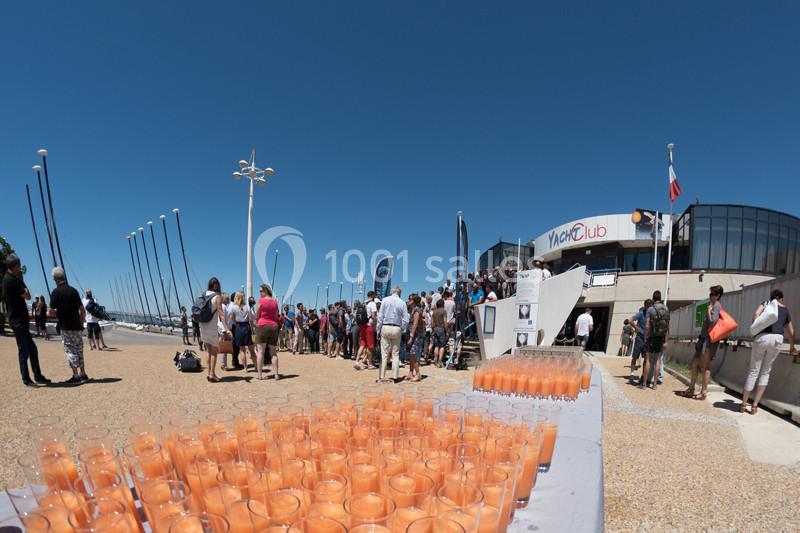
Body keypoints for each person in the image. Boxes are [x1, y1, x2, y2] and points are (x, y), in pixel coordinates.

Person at [740, 289, 796, 414]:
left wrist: (754, 330)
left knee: (754, 371)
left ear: (771, 298)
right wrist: (792, 346)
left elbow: (756, 314)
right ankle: (754, 405)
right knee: (765, 372)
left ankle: (743, 404)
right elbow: (791, 331)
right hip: (777, 339)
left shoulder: (765, 304)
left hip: (762, 337)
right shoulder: (785, 310)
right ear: (781, 298)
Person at [2, 255, 50, 387]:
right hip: (18, 320)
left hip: (17, 319)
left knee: (32, 349)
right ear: (16, 266)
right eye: (19, 266)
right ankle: (27, 379)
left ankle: (37, 375)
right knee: (24, 350)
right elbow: (28, 296)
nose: (20, 269)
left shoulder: (8, 279)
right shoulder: (12, 280)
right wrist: (22, 281)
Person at [681, 286, 722, 399]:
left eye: (712, 294)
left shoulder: (716, 306)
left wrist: (709, 311)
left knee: (705, 366)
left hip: (708, 342)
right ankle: (691, 388)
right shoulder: (713, 305)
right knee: (694, 364)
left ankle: (703, 392)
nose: (710, 296)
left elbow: (713, 321)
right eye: (710, 294)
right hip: (703, 340)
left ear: (717, 296)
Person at [49, 267, 88, 384]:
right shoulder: (74, 291)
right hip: (77, 326)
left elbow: (51, 311)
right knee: (79, 349)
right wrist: (81, 323)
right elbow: (82, 310)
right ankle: (83, 373)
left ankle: (75, 375)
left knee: (70, 350)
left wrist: (58, 315)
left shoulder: (56, 292)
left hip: (66, 326)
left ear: (55, 278)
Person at [198, 277, 231, 382]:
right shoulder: (217, 297)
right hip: (212, 326)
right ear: (217, 285)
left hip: (202, 325)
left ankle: (209, 373)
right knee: (214, 352)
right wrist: (226, 328)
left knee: (208, 350)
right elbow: (221, 313)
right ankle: (212, 374)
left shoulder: (203, 295)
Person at [376, 287, 409, 383]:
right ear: (400, 293)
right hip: (397, 328)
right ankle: (395, 377)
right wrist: (402, 329)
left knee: (384, 353)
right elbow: (406, 319)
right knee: (395, 354)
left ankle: (382, 376)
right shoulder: (402, 302)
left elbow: (380, 317)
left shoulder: (385, 300)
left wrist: (378, 330)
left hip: (386, 326)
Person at [640, 290, 670, 391]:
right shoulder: (666, 308)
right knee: (657, 361)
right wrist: (666, 340)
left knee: (648, 360)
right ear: (660, 298)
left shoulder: (650, 309)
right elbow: (667, 326)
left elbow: (647, 325)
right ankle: (655, 384)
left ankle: (644, 384)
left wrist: (645, 337)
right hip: (660, 338)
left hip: (651, 337)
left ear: (653, 298)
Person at [253, 284, 280, 380]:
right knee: (273, 352)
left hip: (262, 325)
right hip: (273, 326)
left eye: (261, 291)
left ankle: (260, 375)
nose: (259, 293)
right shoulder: (275, 302)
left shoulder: (260, 301)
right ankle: (276, 374)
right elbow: (276, 316)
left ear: (266, 291)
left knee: (260, 351)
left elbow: (257, 315)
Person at [230, 292, 256, 370]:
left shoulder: (233, 307)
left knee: (242, 350)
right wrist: (252, 330)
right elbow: (250, 319)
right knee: (251, 349)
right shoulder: (247, 307)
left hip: (238, 327)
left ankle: (245, 368)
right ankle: (256, 366)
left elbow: (233, 319)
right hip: (246, 327)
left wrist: (237, 323)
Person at [356, 292, 378, 370]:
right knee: (370, 346)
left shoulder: (363, 303)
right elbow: (373, 316)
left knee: (362, 344)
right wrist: (377, 321)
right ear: (372, 296)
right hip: (369, 326)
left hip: (362, 326)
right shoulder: (372, 303)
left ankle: (357, 362)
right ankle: (370, 364)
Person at [405, 294, 425, 382]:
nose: (408, 301)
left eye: (409, 299)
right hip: (412, 334)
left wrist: (411, 336)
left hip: (416, 335)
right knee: (410, 353)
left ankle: (418, 374)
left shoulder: (417, 310)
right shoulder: (412, 310)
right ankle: (410, 372)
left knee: (413, 353)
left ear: (413, 301)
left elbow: (415, 323)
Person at [431, 298, 449, 368]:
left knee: (436, 346)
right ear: (442, 304)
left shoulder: (434, 312)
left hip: (435, 329)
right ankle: (439, 361)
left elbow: (432, 323)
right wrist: (447, 331)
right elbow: (445, 322)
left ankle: (435, 360)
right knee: (442, 346)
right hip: (441, 329)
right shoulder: (443, 311)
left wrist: (433, 330)